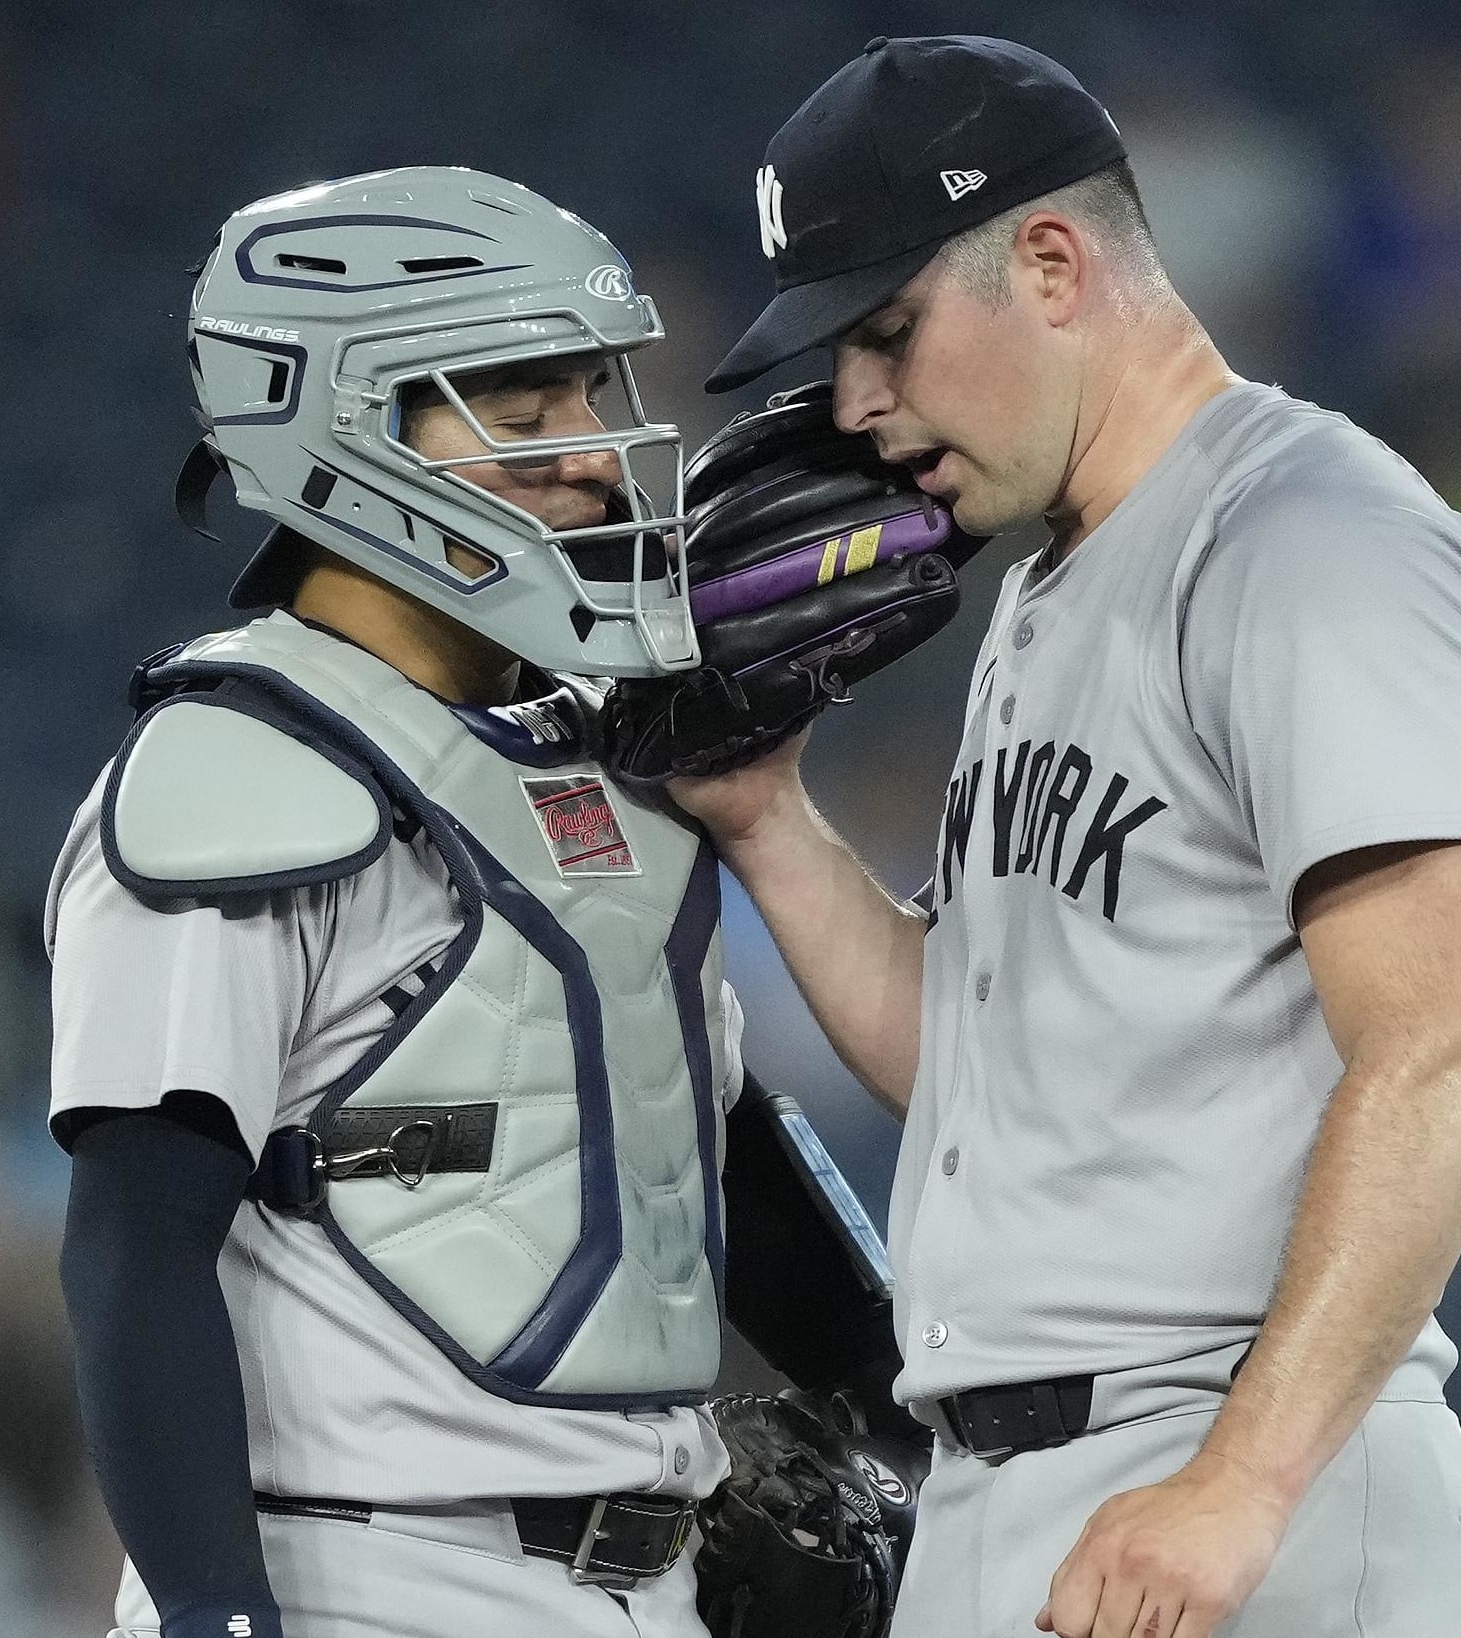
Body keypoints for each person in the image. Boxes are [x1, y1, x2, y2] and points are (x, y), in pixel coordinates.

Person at [678, 36, 1461, 1638]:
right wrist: (766, 817)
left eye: (884, 332)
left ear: (1053, 264)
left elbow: (1445, 1053)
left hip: (1221, 1467)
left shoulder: (1312, 537)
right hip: (1019, 1488)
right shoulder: (1047, 588)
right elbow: (985, 1066)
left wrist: (1242, 1486)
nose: (854, 404)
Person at [44, 168, 901, 1638]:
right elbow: (135, 1237)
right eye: (519, 410)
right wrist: (211, 1614)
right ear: (341, 430)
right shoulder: (240, 761)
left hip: (650, 1579)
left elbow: (705, 1156)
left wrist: (929, 1407)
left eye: (588, 391)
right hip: (361, 1582)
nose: (588, 451)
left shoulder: (607, 740)